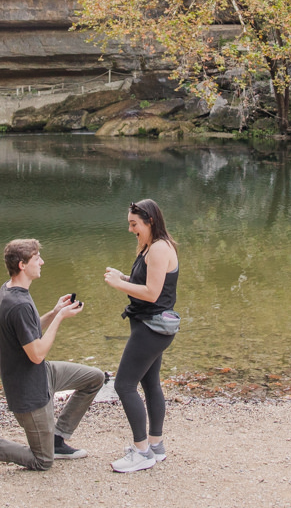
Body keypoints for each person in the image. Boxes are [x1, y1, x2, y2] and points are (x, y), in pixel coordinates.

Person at [0, 238, 105, 473]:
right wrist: (61, 318)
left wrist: (53, 312)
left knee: (94, 378)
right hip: (29, 392)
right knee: (42, 461)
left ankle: (57, 439)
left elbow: (28, 336)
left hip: (42, 375)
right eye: (36, 258)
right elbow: (37, 354)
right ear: (22, 265)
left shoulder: (10, 289)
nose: (42, 262)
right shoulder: (18, 304)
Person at [103, 199, 180, 473]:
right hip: (149, 326)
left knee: (124, 386)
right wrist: (123, 275)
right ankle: (156, 446)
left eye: (134, 224)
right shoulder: (151, 247)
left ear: (149, 221)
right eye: (129, 224)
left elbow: (152, 293)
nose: (130, 229)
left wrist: (119, 284)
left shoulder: (159, 249)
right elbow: (147, 283)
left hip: (152, 328)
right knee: (150, 384)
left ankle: (141, 451)